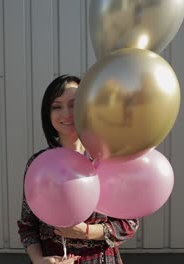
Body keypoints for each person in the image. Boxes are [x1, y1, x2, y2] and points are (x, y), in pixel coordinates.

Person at [17, 74, 139, 264]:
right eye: (57, 106)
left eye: (74, 105)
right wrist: (39, 260)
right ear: (48, 114)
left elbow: (129, 223)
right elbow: (27, 226)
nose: (66, 113)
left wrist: (86, 232)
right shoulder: (38, 164)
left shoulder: (107, 161)